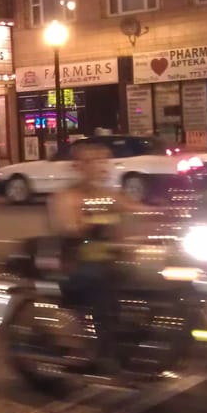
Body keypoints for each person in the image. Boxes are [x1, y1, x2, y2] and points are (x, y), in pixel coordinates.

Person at [48, 141, 135, 374]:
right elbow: (70, 227)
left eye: (102, 161)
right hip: (78, 265)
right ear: (78, 166)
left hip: (109, 260)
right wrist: (92, 217)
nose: (99, 166)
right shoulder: (67, 197)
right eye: (92, 161)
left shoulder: (107, 195)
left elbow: (136, 208)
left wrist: (170, 211)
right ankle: (99, 351)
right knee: (101, 283)